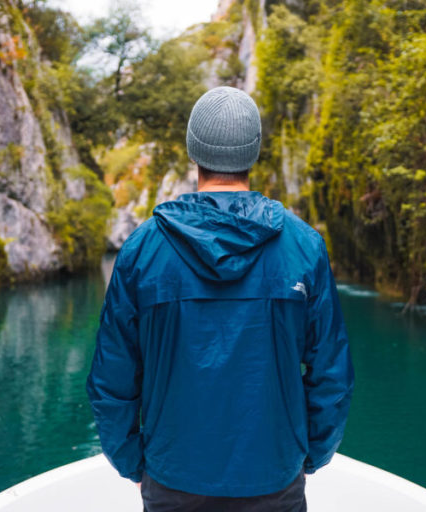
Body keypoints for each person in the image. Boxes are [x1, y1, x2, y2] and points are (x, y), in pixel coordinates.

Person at [86, 86, 354, 511]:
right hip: (275, 477)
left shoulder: (141, 249)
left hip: (172, 477)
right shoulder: (304, 246)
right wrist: (309, 456)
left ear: (194, 152)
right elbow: (331, 376)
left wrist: (135, 465)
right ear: (255, 152)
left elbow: (112, 381)